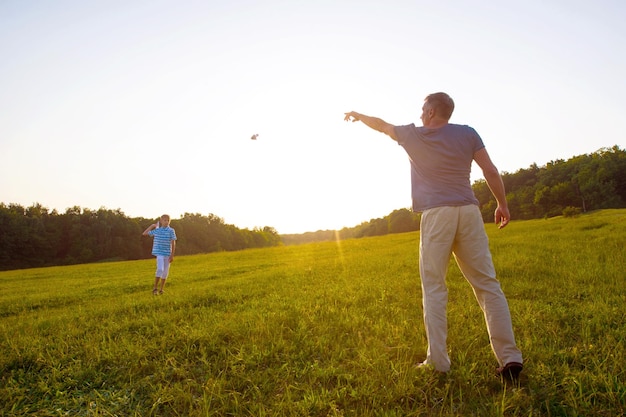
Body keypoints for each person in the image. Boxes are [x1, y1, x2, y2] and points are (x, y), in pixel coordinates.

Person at [344, 92, 523, 381]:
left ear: (430, 111)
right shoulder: (468, 133)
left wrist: (357, 115)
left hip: (437, 215)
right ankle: (511, 358)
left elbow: (381, 124)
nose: (419, 113)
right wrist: (502, 204)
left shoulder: (413, 136)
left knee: (434, 288)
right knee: (488, 285)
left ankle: (438, 361)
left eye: (422, 108)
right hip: (468, 211)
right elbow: (489, 169)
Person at [142, 214, 177, 295]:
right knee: (160, 269)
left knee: (165, 272)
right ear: (161, 221)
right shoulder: (157, 230)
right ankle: (155, 288)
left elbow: (173, 243)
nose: (166, 222)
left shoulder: (171, 231)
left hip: (167, 254)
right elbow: (144, 233)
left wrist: (172, 255)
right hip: (159, 253)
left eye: (168, 220)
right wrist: (152, 226)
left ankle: (161, 290)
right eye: (165, 220)